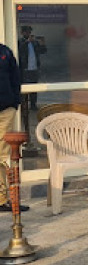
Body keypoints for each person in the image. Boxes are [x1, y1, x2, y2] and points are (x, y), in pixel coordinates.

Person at [0, 42, 27, 212]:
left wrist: (14, 102)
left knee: (3, 153)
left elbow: (15, 78)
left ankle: (3, 199)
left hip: (5, 109)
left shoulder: (5, 52)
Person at [17, 26, 46, 111]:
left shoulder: (34, 43)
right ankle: (24, 105)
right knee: (25, 89)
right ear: (22, 33)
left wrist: (42, 43)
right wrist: (27, 42)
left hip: (34, 68)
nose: (28, 34)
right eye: (26, 32)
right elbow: (19, 50)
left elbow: (43, 51)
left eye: (29, 32)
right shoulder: (20, 41)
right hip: (25, 69)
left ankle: (33, 105)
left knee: (34, 88)